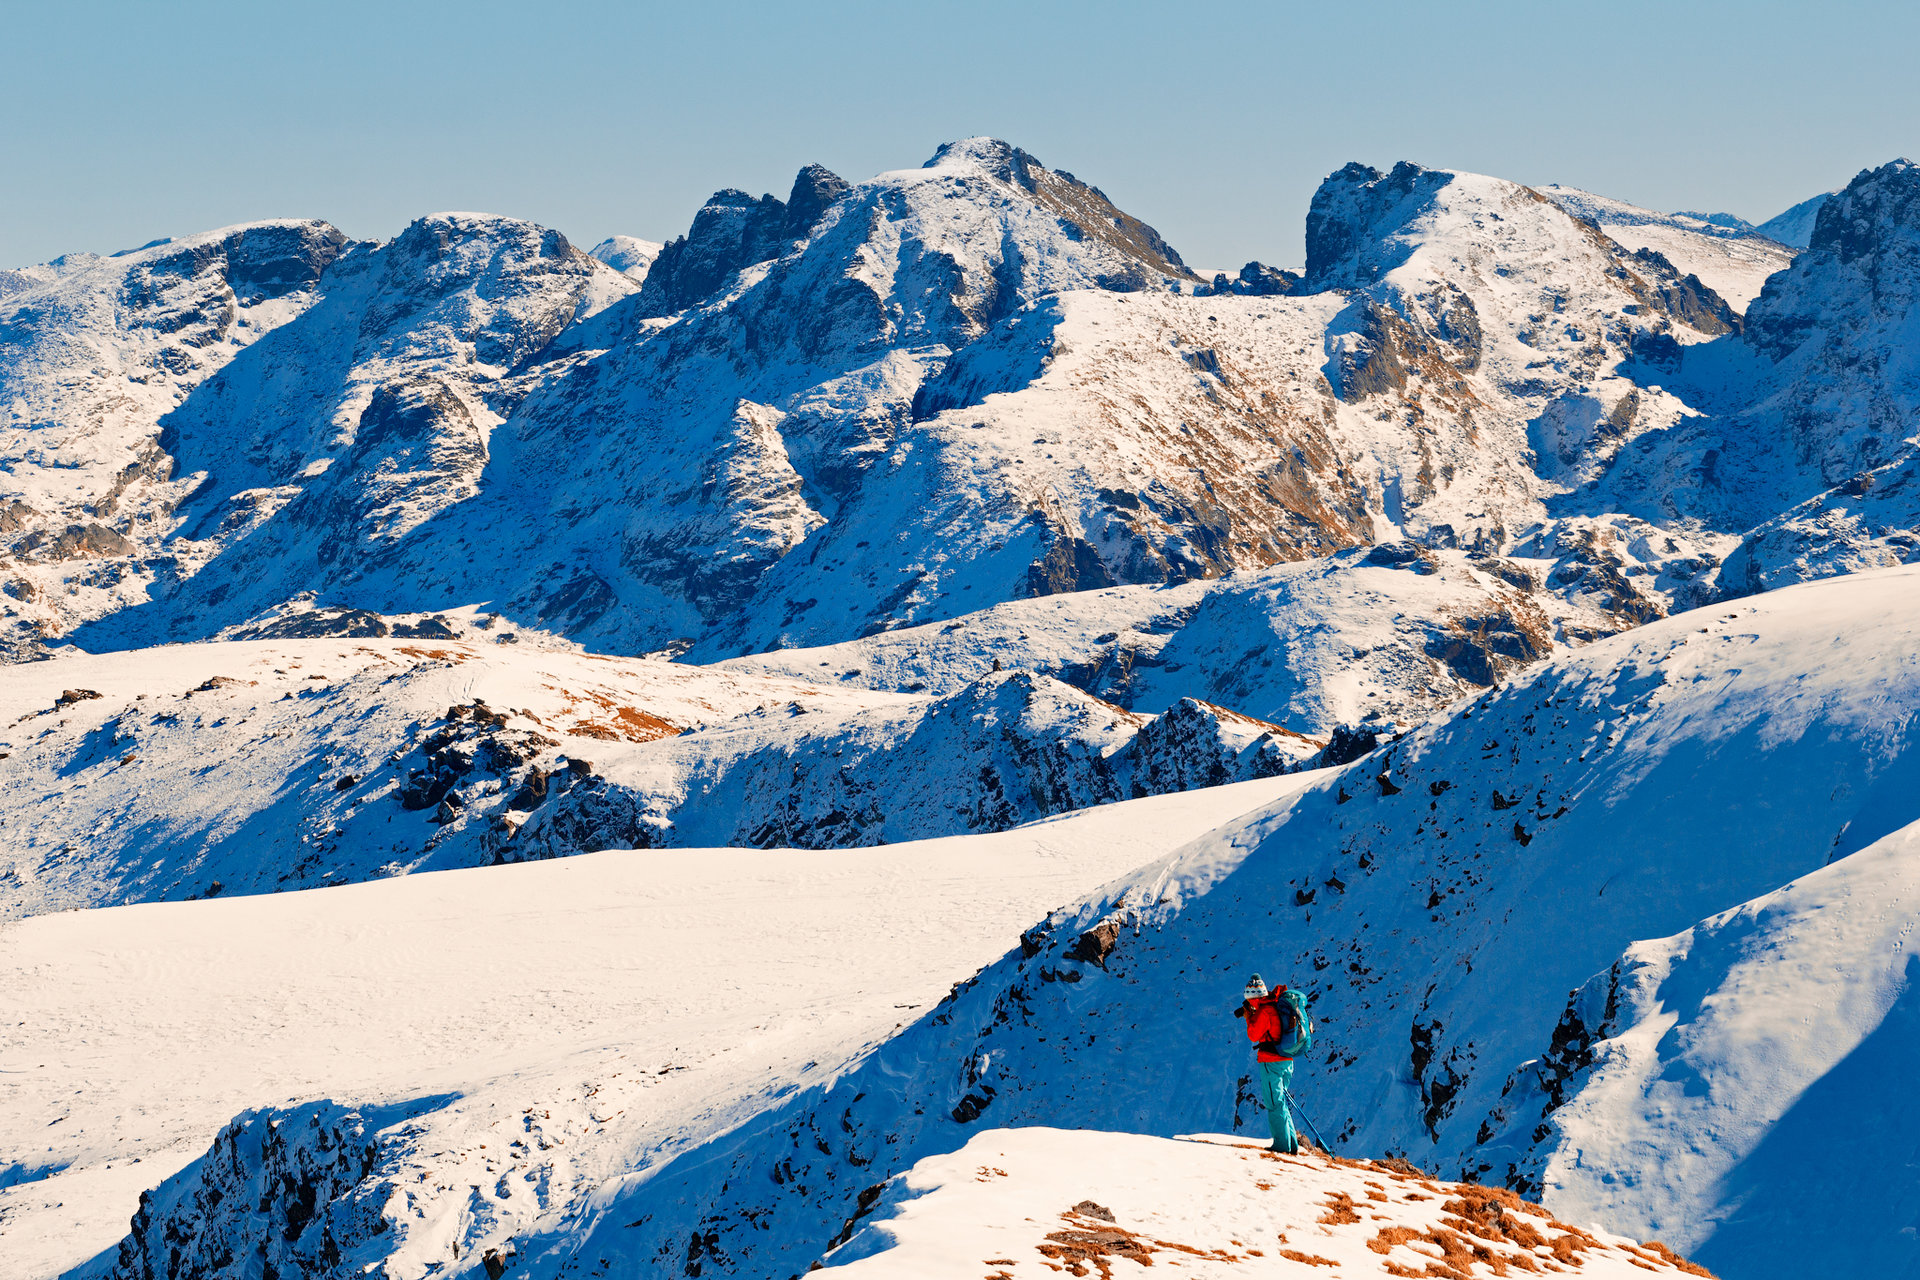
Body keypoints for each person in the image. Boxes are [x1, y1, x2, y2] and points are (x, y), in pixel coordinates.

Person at [1235, 973, 1304, 1153]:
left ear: (1252, 997)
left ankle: (1282, 1146)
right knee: (1280, 1102)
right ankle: (1291, 1145)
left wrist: (1248, 1017)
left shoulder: (1265, 1011)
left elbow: (1254, 1035)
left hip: (1271, 1062)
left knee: (1274, 1103)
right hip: (1285, 1061)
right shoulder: (1274, 1006)